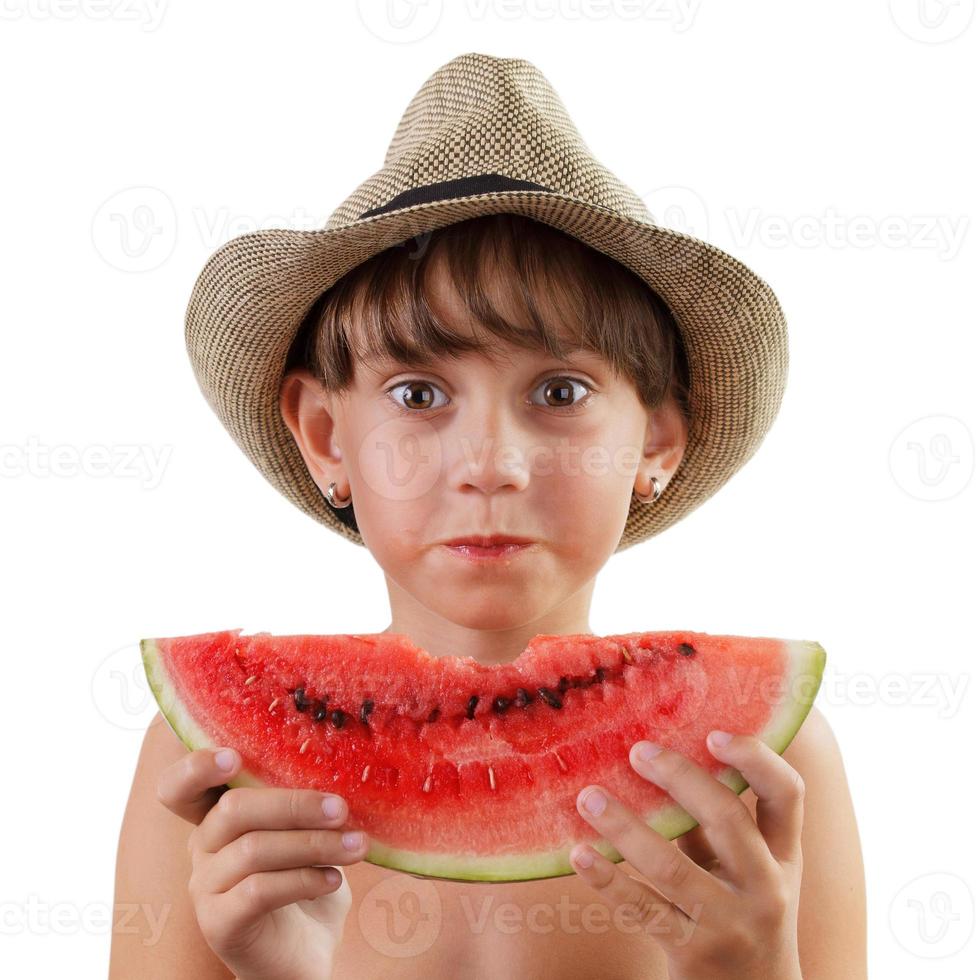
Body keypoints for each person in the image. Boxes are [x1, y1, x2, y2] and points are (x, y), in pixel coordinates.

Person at [110, 53, 866, 979]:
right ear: (324, 436)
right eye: (420, 395)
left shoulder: (763, 768)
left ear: (658, 442)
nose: (490, 465)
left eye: (559, 390)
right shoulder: (211, 771)